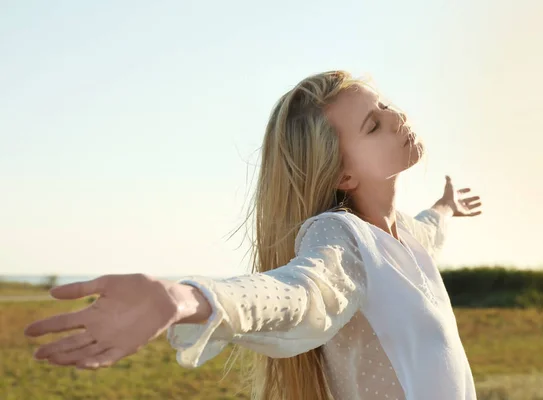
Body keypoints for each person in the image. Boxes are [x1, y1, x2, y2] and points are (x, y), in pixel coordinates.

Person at [24, 70, 483, 400]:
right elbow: (300, 293)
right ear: (343, 174)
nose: (394, 116)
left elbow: (431, 229)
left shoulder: (407, 237)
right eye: (372, 125)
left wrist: (446, 207)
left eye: (382, 106)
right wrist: (184, 299)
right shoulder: (342, 238)